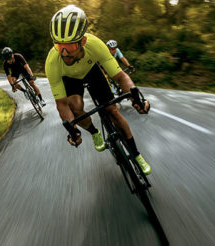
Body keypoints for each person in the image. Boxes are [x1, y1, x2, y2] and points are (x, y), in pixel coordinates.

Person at [45, 5, 151, 174]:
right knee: (75, 106)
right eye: (59, 46)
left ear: (83, 42)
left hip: (91, 71)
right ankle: (94, 132)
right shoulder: (52, 63)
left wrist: (136, 99)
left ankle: (136, 155)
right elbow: (61, 104)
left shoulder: (95, 45)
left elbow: (120, 77)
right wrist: (74, 130)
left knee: (112, 111)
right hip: (70, 79)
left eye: (70, 46)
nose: (64, 53)